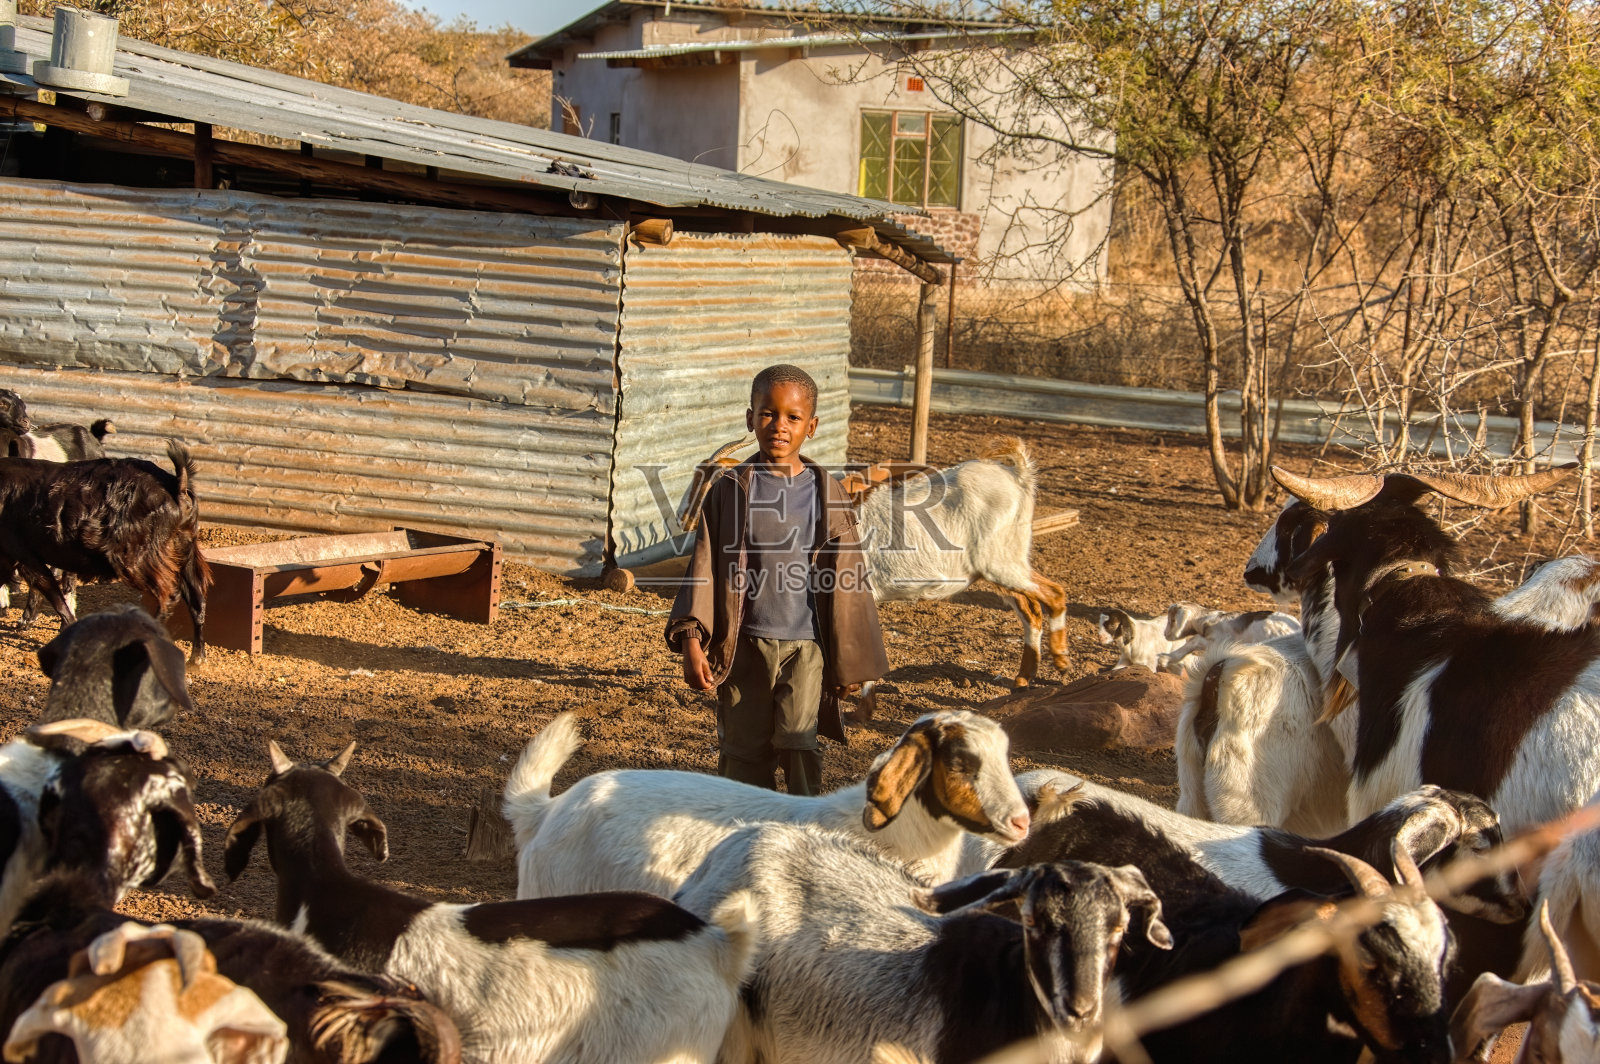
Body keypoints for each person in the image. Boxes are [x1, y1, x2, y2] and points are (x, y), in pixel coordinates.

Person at [666, 364, 888, 795]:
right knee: (742, 754)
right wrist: (692, 640)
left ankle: (803, 826)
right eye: (768, 413)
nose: (779, 426)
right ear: (750, 418)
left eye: (793, 417)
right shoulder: (730, 490)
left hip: (807, 648)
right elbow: (704, 569)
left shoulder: (828, 494)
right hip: (743, 647)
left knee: (799, 745)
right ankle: (740, 828)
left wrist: (851, 663)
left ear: (811, 427)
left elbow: (849, 582)